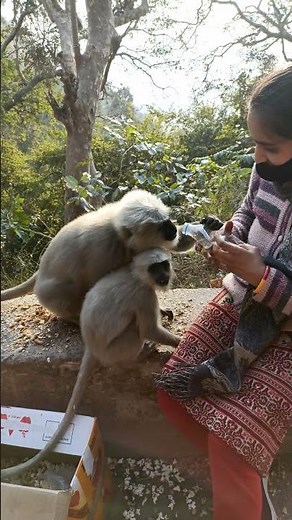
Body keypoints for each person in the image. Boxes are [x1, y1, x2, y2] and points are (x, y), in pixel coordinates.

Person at [156, 65, 292, 520]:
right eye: (254, 144)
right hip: (244, 300)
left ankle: (243, 485)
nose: (258, 158)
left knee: (233, 441)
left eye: (269, 147)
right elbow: (249, 208)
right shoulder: (266, 171)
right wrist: (233, 238)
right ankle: (249, 479)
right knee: (173, 396)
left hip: (285, 322)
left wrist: (260, 276)